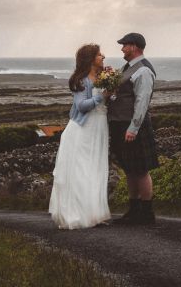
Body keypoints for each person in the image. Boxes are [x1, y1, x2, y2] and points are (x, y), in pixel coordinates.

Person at [49, 44, 112, 229]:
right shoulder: (82, 80)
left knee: (95, 169)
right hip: (82, 130)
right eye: (100, 54)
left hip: (99, 127)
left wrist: (110, 93)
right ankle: (77, 214)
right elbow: (81, 106)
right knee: (81, 171)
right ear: (91, 58)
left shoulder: (102, 77)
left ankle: (94, 214)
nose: (103, 56)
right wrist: (103, 96)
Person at [108, 32, 159, 225]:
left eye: (124, 45)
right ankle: (134, 210)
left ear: (135, 47)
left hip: (132, 126)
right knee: (129, 168)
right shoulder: (127, 68)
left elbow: (142, 101)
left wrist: (133, 128)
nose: (122, 48)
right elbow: (123, 95)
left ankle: (147, 213)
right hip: (121, 124)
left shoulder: (144, 70)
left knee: (141, 169)